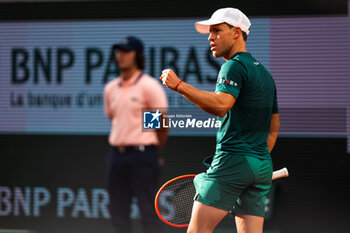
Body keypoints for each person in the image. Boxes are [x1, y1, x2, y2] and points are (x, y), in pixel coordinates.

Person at [160, 8, 280, 233]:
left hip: (232, 162)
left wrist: (179, 85)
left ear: (236, 33)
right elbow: (274, 129)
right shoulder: (266, 75)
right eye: (210, 32)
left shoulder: (233, 66)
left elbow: (221, 105)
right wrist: (255, 163)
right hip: (262, 165)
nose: (210, 37)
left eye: (217, 31)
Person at [104, 36, 168, 233]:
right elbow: (114, 119)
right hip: (117, 156)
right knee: (118, 213)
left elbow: (161, 126)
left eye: (126, 51)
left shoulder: (148, 86)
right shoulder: (111, 88)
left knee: (148, 212)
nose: (120, 56)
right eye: (118, 51)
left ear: (137, 56)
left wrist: (152, 152)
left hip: (142, 156)